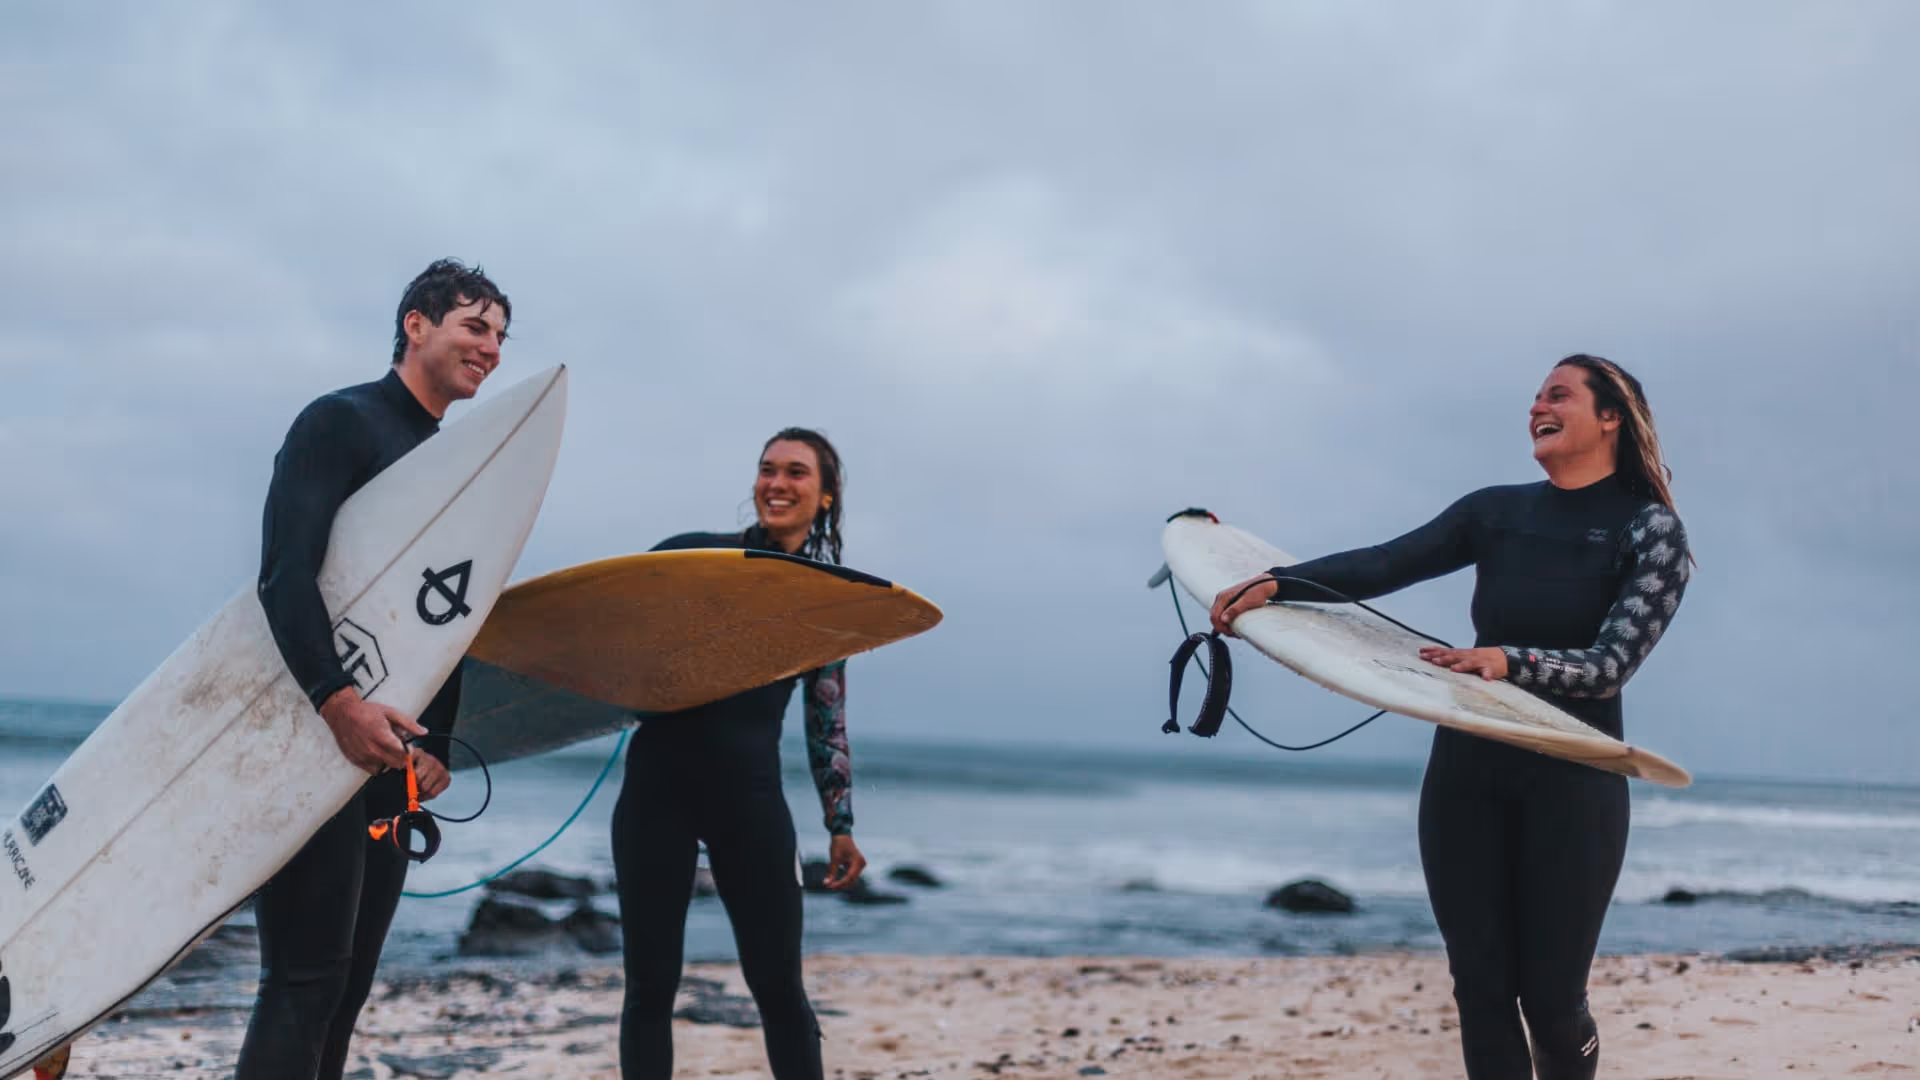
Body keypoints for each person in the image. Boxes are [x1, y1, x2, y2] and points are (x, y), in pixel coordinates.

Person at [1210, 355, 1691, 1080]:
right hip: (1469, 769)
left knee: (1552, 1002)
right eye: (1533, 398)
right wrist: (1275, 584)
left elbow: (1610, 664)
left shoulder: (1650, 532)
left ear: (1611, 416)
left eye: (1558, 394)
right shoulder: (1494, 512)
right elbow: (1384, 563)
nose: (1537, 407)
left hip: (1574, 778)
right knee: (1482, 989)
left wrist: (1508, 661)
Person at [239, 259, 511, 1079]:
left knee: (349, 984)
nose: (492, 348)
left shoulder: (454, 468)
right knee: (303, 979)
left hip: (390, 758)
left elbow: (444, 620)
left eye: (501, 336)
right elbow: (285, 577)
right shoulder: (339, 424)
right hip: (313, 735)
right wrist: (336, 701)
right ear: (416, 324)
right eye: (475, 326)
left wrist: (440, 740)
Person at [612, 427, 868, 1080]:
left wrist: (840, 824)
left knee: (778, 987)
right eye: (766, 469)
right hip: (655, 791)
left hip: (748, 799)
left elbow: (826, 718)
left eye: (796, 472)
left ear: (826, 496)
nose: (776, 483)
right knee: (649, 986)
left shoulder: (824, 599)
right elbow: (623, 641)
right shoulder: (697, 560)